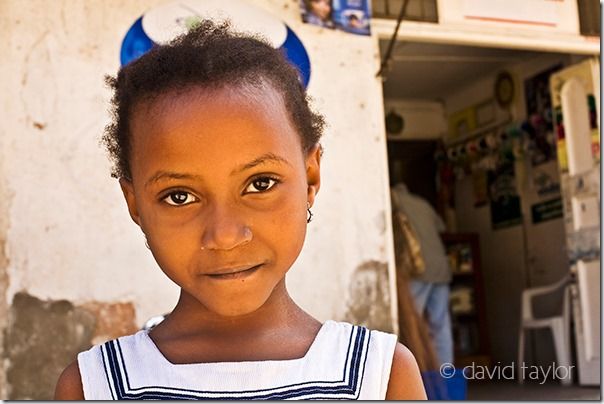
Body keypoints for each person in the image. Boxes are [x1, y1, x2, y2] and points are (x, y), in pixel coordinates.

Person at [54, 21, 426, 400]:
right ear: (135, 204)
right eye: (179, 196)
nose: (226, 235)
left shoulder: (379, 375)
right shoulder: (94, 386)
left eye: (260, 184)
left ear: (310, 179)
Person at [391, 182, 454, 367]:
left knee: (412, 326)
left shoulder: (393, 200)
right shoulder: (423, 204)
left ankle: (415, 378)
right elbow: (442, 228)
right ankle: (446, 376)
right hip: (440, 268)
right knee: (441, 326)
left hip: (417, 270)